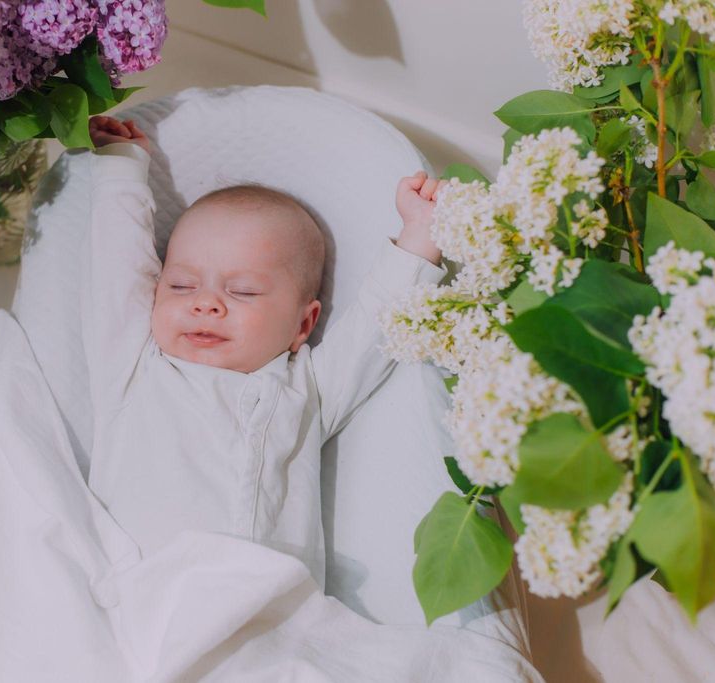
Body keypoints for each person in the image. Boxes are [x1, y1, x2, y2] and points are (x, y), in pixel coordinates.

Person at [83, 114, 446, 584]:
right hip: (141, 595)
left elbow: (376, 328)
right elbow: (117, 268)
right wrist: (120, 171)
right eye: (181, 284)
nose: (206, 303)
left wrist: (423, 234)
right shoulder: (135, 369)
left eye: (243, 292)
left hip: (269, 618)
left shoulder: (307, 390)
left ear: (303, 323)